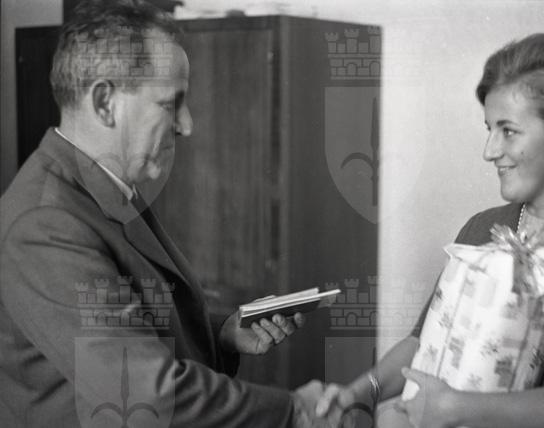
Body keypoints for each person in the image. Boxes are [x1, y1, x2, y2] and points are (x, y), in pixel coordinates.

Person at [0, 1, 320, 426]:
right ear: (105, 103)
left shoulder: (101, 187)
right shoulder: (44, 225)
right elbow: (144, 393)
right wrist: (294, 411)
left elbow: (131, 319)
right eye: (171, 104)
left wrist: (222, 333)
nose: (187, 125)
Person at [312, 33, 544, 428]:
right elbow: (423, 341)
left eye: (508, 131)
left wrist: (456, 408)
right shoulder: (484, 226)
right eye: (489, 128)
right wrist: (359, 392)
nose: (489, 150)